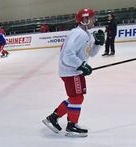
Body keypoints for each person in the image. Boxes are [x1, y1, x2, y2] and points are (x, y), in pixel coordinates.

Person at [42, 8, 104, 137]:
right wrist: (81, 65)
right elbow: (67, 55)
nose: (94, 20)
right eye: (92, 18)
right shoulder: (78, 33)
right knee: (77, 97)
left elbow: (90, 53)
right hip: (71, 71)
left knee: (75, 97)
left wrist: (98, 44)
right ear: (85, 20)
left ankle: (53, 118)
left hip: (75, 70)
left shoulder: (87, 34)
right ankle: (71, 125)